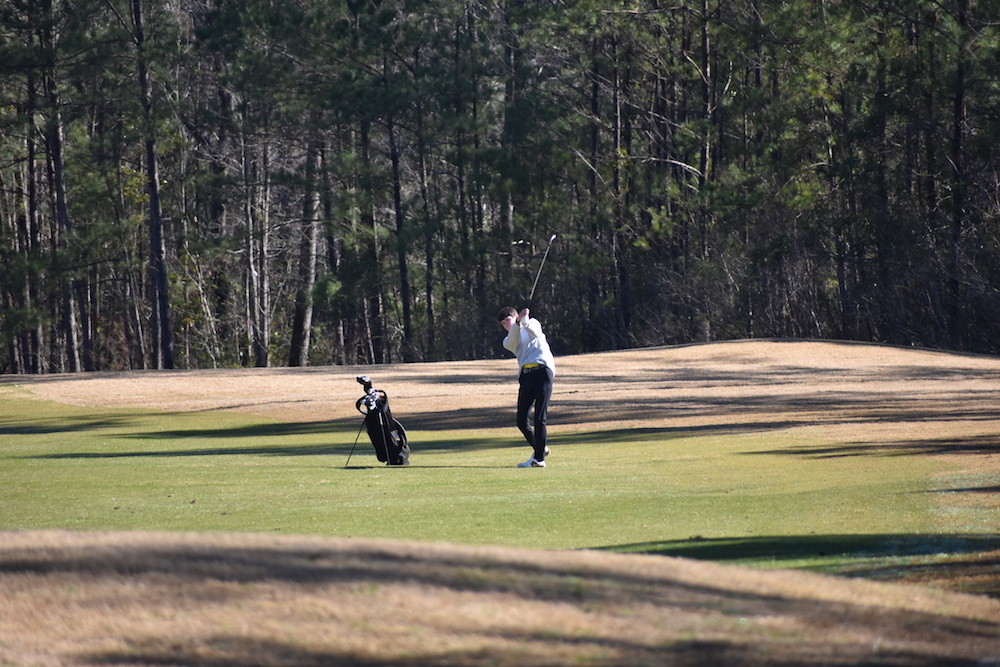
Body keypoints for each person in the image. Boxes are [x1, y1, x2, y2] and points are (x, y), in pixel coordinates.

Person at [498, 306, 556, 468]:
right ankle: (540, 448)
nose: (506, 325)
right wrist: (517, 324)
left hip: (543, 371)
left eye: (507, 320)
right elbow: (513, 339)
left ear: (515, 316)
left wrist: (524, 320)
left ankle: (539, 459)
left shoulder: (533, 323)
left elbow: (534, 333)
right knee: (521, 421)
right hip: (526, 375)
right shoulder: (508, 340)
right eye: (503, 324)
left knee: (539, 417)